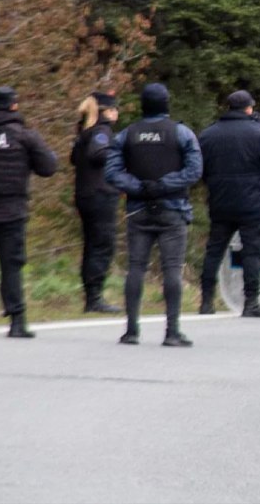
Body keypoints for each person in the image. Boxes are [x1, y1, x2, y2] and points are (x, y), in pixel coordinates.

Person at [105, 83, 203, 347]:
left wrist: (139, 187)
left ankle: (131, 330)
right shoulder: (181, 133)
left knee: (135, 268)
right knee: (172, 269)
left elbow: (111, 172)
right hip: (173, 208)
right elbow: (194, 171)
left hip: (138, 208)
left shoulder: (127, 134)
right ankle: (172, 331)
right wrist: (164, 185)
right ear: (166, 104)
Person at [0, 86, 57, 338]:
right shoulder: (25, 136)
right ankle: (17, 321)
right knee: (12, 266)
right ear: (13, 106)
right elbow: (49, 167)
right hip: (11, 213)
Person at [198, 90, 260, 317]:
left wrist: (213, 187)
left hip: (220, 200)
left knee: (214, 250)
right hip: (252, 202)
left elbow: (199, 169)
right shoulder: (258, 133)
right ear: (249, 108)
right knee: (252, 252)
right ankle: (250, 302)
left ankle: (206, 301)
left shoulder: (208, 134)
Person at [70, 91, 121, 314]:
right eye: (114, 109)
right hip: (100, 195)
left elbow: (74, 158)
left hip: (84, 194)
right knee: (102, 244)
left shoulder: (84, 132)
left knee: (91, 245)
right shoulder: (102, 132)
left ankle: (91, 295)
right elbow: (98, 154)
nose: (116, 112)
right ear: (106, 111)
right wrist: (121, 158)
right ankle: (95, 297)